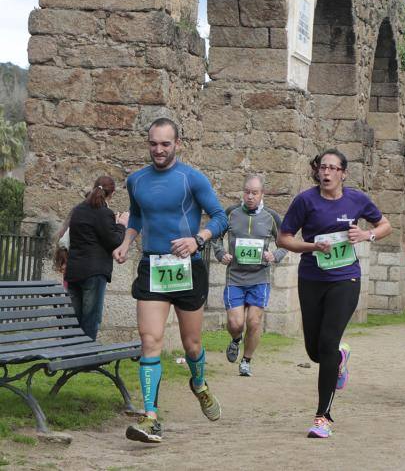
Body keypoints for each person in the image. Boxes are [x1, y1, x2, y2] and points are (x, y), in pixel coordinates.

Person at [113, 118, 228, 443]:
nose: (159, 150)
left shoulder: (192, 179)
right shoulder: (135, 180)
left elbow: (220, 217)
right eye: (153, 143)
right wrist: (125, 243)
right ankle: (150, 417)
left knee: (192, 345)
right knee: (150, 340)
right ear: (147, 143)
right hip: (153, 267)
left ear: (178, 144)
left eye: (165, 144)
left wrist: (197, 239)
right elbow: (136, 217)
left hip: (187, 268)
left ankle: (199, 384)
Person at [277, 149, 391, 439]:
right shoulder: (305, 200)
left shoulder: (356, 200)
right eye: (322, 168)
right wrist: (313, 246)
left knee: (327, 342)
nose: (326, 173)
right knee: (315, 351)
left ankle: (322, 417)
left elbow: (384, 225)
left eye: (332, 168)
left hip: (345, 278)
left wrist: (367, 235)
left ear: (343, 173)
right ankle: (340, 358)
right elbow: (284, 238)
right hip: (312, 278)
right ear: (317, 171)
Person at [211, 174, 287, 377]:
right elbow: (215, 237)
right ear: (242, 192)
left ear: (262, 194)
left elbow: (285, 242)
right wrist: (221, 254)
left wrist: (274, 255)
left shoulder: (271, 216)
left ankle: (246, 360)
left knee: (254, 322)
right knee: (236, 324)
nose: (250, 196)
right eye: (247, 192)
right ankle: (236, 339)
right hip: (235, 277)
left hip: (259, 278)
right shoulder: (230, 213)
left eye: (254, 193)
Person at [63, 176, 128, 340]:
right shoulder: (104, 213)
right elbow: (114, 241)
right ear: (111, 194)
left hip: (74, 270)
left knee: (73, 318)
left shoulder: (78, 209)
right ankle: (85, 357)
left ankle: (68, 355)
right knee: (90, 318)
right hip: (94, 272)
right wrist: (121, 224)